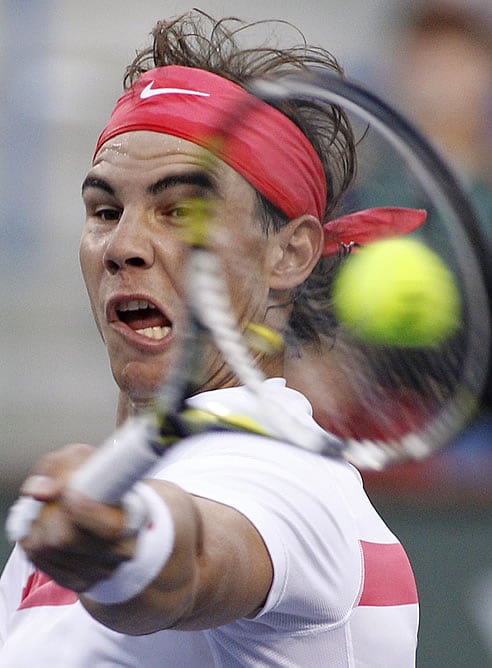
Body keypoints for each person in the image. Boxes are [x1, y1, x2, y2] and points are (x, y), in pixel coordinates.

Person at [0, 11, 419, 667]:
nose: (123, 247)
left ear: (289, 253)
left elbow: (191, 561)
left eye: (181, 211)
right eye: (105, 211)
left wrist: (127, 543)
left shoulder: (281, 473)